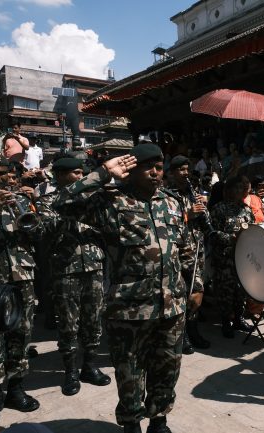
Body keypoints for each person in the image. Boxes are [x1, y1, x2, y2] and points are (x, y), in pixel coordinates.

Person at [53, 143, 199, 433]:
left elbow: (185, 247)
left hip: (171, 308)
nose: (155, 173)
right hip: (129, 311)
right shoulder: (109, 202)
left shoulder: (171, 202)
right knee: (129, 372)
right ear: (130, 170)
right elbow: (62, 202)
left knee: (167, 368)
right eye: (148, 167)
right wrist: (103, 173)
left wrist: (197, 287)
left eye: (159, 167)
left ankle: (159, 420)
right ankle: (131, 424)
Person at [35, 157, 111, 397]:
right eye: (75, 173)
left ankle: (89, 366)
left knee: (93, 320)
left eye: (82, 173)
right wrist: (71, 213)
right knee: (68, 324)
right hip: (65, 268)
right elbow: (47, 229)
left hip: (93, 266)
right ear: (59, 175)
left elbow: (104, 227)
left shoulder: (92, 199)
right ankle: (70, 371)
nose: (80, 177)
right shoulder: (47, 201)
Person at [0, 154, 40, 427]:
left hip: (21, 276)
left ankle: (16, 389)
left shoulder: (17, 198)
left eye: (1, 173)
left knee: (21, 334)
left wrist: (30, 207)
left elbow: (37, 233)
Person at [166, 155, 212, 352]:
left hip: (197, 250)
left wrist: (203, 208)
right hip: (179, 251)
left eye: (187, 169)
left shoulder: (192, 191)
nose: (185, 173)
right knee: (182, 293)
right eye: (181, 170)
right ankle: (182, 334)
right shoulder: (166, 194)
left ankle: (193, 330)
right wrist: (187, 215)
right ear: (172, 172)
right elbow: (166, 222)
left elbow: (204, 220)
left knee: (196, 292)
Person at [209, 175, 255, 338]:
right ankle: (225, 322)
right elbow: (212, 233)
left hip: (242, 258)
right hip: (225, 259)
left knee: (240, 290)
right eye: (240, 187)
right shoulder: (219, 209)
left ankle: (238, 319)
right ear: (230, 189)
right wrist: (231, 238)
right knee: (225, 291)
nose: (243, 190)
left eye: (245, 188)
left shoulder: (246, 210)